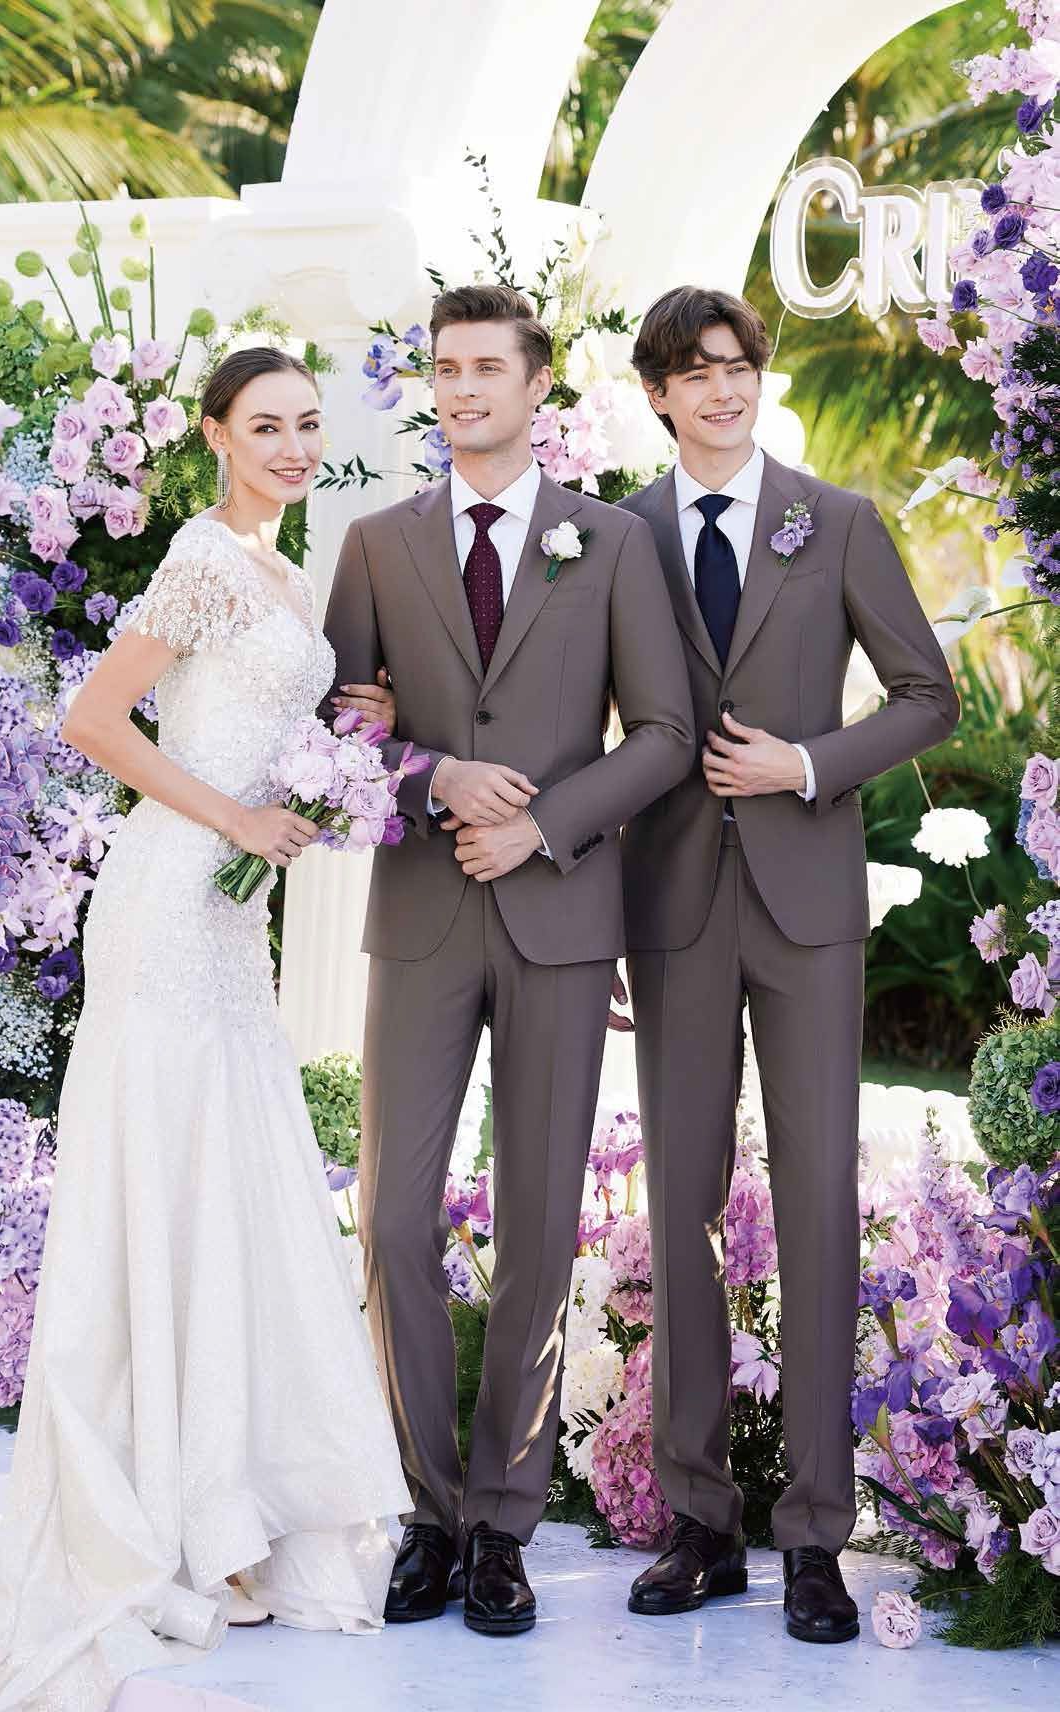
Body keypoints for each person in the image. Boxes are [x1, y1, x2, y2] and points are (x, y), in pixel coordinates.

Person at [0, 347, 410, 1710]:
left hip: (225, 913)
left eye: (311, 424)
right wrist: (237, 815)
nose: (296, 445)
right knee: (168, 1175)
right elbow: (91, 719)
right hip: (167, 893)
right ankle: (166, 1527)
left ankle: (229, 1519)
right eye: (268, 426)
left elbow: (251, 713)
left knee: (229, 1183)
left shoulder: (277, 569)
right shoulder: (200, 558)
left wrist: (336, 742)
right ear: (214, 435)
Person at [322, 284, 695, 1637]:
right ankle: (427, 1509)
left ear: (539, 385)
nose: (462, 386)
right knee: (395, 1217)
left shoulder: (608, 544)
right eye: (443, 368)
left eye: (487, 366)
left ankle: (502, 1525)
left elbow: (660, 733)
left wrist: (538, 824)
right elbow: (337, 733)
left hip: (555, 915)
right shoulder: (374, 544)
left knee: (539, 1226)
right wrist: (435, 778)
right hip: (420, 914)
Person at [618, 287, 959, 1644]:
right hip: (673, 909)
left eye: (739, 367)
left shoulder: (841, 523)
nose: (722, 390)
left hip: (808, 905)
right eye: (695, 373)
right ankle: (699, 1524)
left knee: (816, 1201)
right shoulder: (617, 537)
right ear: (654, 392)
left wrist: (806, 764)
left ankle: (815, 1534)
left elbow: (925, 692)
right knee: (678, 1215)